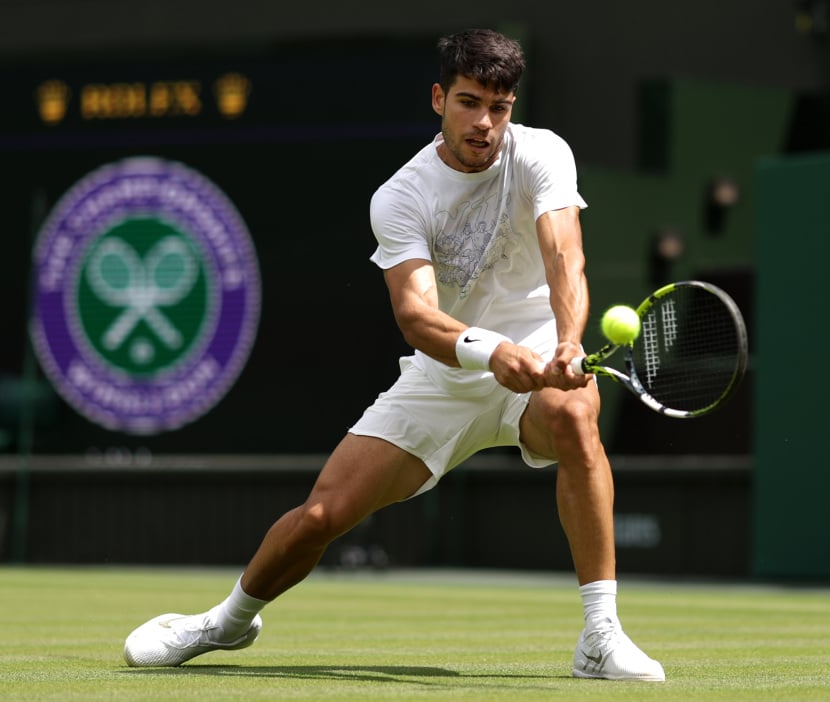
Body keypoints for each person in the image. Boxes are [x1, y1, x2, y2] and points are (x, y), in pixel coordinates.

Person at [122, 28, 665, 683]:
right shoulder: (403, 196)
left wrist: (569, 341)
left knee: (576, 415)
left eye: (499, 107)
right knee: (320, 517)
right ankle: (227, 622)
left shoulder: (542, 155)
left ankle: (600, 635)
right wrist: (492, 352)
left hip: (542, 354)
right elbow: (417, 317)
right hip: (448, 376)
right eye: (469, 102)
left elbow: (565, 258)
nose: (485, 122)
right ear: (439, 98)